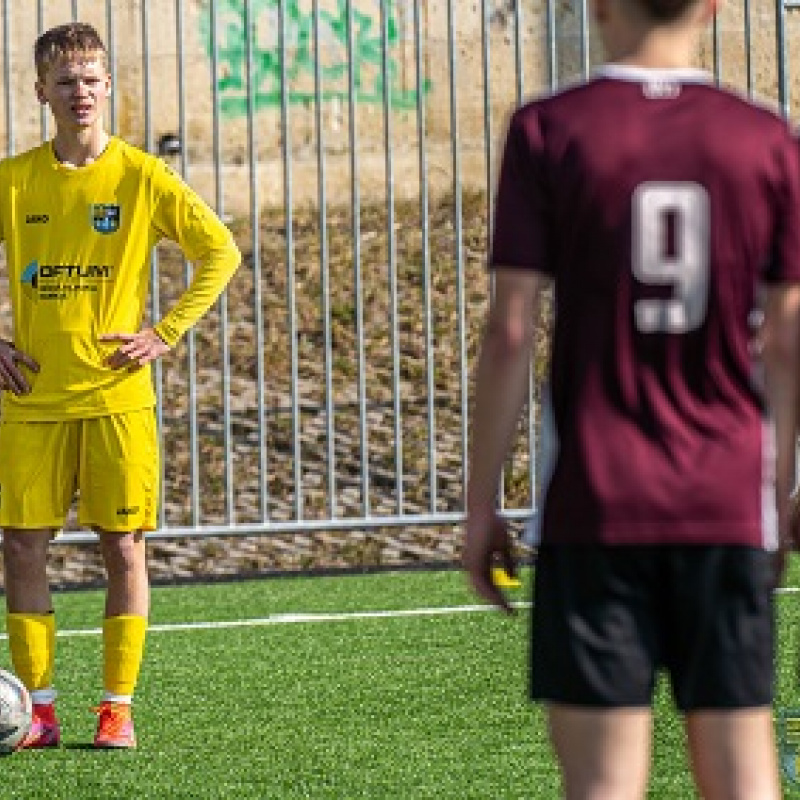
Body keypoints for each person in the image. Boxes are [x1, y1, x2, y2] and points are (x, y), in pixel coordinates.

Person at [463, 0, 800, 797]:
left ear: (599, 4)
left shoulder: (550, 129)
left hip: (596, 506)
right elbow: (787, 342)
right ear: (714, 6)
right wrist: (784, 485)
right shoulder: (766, 139)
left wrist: (481, 504)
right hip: (723, 502)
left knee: (604, 785)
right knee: (743, 777)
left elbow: (511, 331)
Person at [0, 22, 241, 749]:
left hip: (116, 396)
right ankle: (38, 712)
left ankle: (116, 708)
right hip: (34, 400)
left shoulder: (141, 176)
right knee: (19, 547)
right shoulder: (13, 180)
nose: (81, 93)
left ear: (110, 88)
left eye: (93, 80)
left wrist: (163, 332)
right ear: (40, 90)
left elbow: (219, 251)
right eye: (66, 81)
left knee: (125, 548)